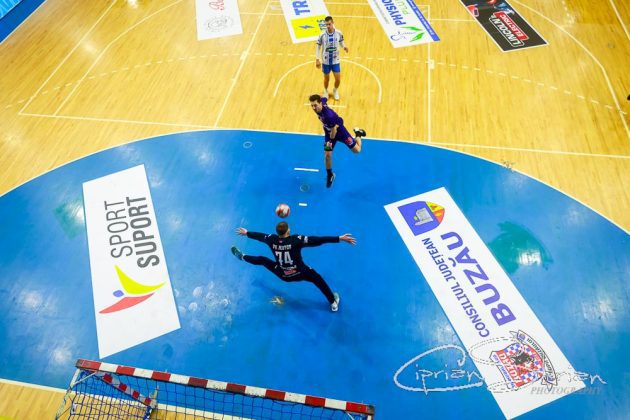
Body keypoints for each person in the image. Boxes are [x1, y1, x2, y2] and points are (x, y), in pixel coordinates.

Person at [230, 222, 356, 312]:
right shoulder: (296, 240)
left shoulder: (272, 239)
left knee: (262, 260)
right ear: (288, 231)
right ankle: (333, 303)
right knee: (318, 279)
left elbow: (260, 236)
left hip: (283, 274)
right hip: (301, 272)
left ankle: (242, 257)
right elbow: (318, 240)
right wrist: (339, 238)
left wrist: (247, 233)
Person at [309, 93, 366, 188]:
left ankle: (358, 134)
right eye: (312, 106)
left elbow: (333, 134)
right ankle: (330, 175)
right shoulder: (321, 104)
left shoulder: (329, 117)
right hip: (329, 132)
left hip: (339, 132)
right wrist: (323, 94)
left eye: (315, 105)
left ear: (320, 104)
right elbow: (324, 97)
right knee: (327, 155)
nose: (314, 108)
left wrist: (329, 143)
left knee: (357, 150)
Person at [315, 16, 348, 101]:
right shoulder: (322, 34)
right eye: (326, 25)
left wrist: (344, 46)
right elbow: (318, 47)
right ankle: (325, 91)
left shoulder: (338, 33)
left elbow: (341, 41)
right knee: (326, 79)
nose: (328, 26)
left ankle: (335, 90)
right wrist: (317, 59)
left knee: (338, 79)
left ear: (333, 22)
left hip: (335, 61)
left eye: (329, 24)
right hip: (326, 61)